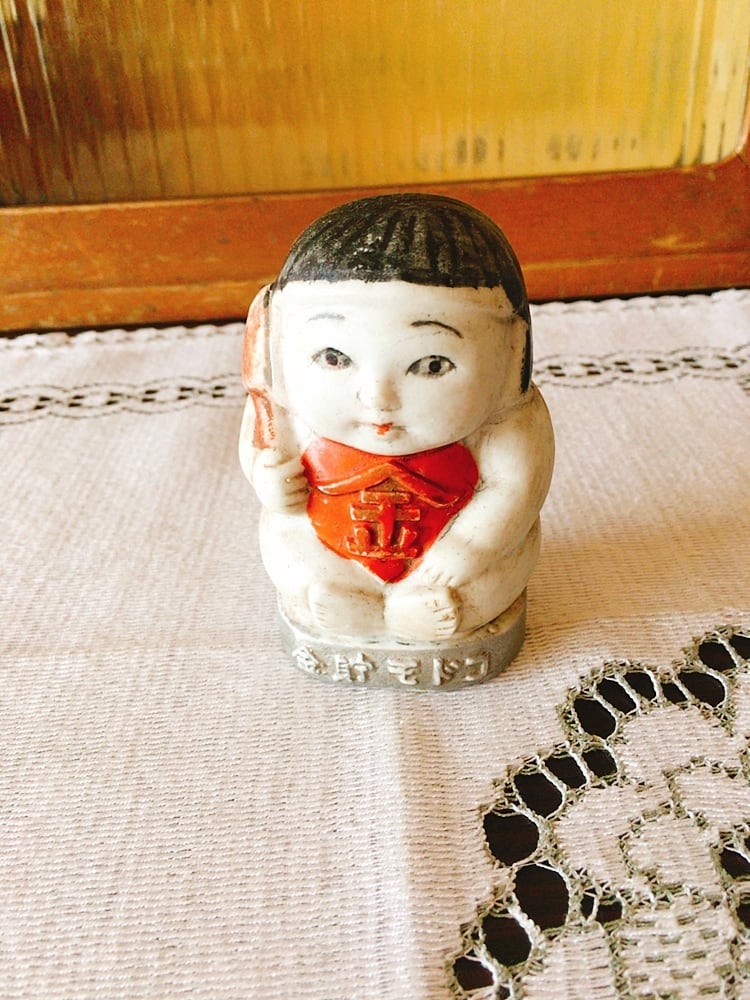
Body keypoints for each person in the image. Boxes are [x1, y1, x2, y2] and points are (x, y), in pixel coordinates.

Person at [239, 193, 554, 645]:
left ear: (512, 352)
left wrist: (469, 547)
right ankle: (340, 598)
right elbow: (259, 454)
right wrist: (268, 478)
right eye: (334, 358)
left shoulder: (509, 424)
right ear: (278, 344)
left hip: (451, 557)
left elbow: (514, 491)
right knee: (290, 542)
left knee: (486, 578)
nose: (376, 399)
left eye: (430, 365)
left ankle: (433, 609)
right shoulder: (284, 413)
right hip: (328, 540)